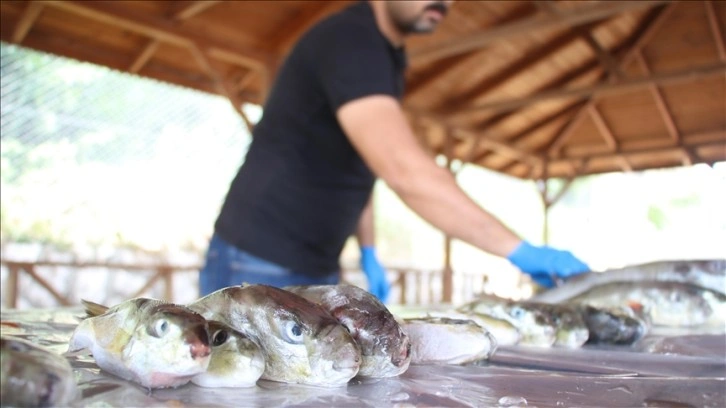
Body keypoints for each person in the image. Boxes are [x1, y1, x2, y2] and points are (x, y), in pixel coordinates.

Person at [199, 0, 590, 301]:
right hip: (255, 258)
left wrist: (368, 249)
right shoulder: (350, 39)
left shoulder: (386, 58)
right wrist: (517, 249)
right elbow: (402, 168)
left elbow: (361, 168)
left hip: (315, 263)